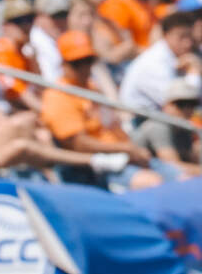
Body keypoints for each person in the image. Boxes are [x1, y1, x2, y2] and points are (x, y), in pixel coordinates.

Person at [38, 32, 151, 183]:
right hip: (98, 167)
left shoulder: (92, 88)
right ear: (64, 64)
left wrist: (131, 149)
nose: (84, 67)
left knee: (176, 173)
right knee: (150, 181)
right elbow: (79, 144)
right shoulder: (57, 96)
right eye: (77, 63)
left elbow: (112, 124)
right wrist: (125, 149)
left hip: (124, 154)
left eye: (88, 60)